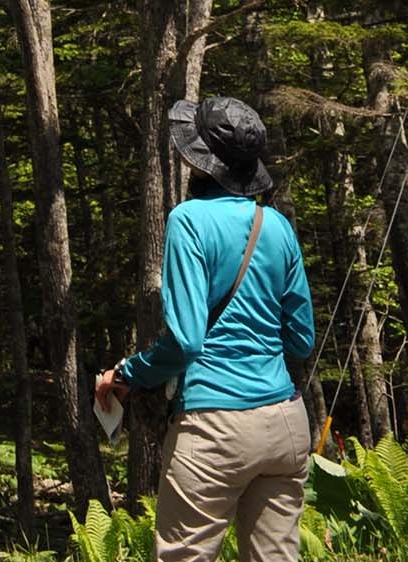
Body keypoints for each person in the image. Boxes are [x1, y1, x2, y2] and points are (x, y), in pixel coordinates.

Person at [94, 95, 317, 562]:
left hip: (213, 428)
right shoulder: (276, 225)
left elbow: (188, 341)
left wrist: (127, 374)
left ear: (197, 159)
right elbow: (301, 339)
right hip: (285, 423)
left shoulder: (188, 221)